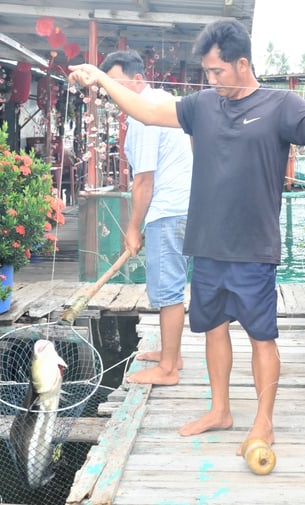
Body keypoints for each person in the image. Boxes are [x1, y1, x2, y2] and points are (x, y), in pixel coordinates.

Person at [69, 19, 305, 454]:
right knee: (212, 328)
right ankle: (219, 409)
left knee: (262, 336)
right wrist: (104, 78)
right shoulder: (202, 105)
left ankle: (263, 422)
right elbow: (146, 111)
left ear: (242, 64)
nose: (211, 80)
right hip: (205, 244)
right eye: (207, 73)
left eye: (218, 72)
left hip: (253, 246)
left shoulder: (282, 105)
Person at [99, 50, 192, 386]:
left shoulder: (144, 112)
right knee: (171, 283)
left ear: (138, 80)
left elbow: (144, 180)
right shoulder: (163, 100)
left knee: (167, 289)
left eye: (116, 83)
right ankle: (173, 354)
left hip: (168, 208)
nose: (112, 93)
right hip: (182, 205)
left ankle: (168, 369)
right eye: (107, 87)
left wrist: (133, 228)